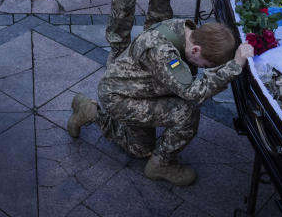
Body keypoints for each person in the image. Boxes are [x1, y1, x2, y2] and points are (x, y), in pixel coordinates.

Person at [67, 20, 253, 185]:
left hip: (139, 92)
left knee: (140, 149)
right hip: (120, 99)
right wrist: (234, 67)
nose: (200, 68)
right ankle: (161, 165)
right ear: (196, 50)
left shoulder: (186, 31)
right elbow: (193, 93)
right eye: (203, 65)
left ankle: (89, 111)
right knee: (186, 113)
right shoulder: (163, 52)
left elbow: (183, 79)